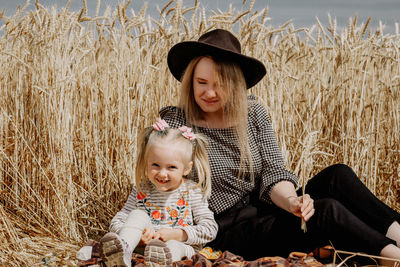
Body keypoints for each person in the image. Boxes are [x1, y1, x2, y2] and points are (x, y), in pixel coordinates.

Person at [159, 28, 400, 262]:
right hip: (222, 230)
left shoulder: (252, 113)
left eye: (220, 84)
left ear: (234, 84)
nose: (210, 92)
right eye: (202, 82)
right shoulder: (176, 122)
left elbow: (273, 172)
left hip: (266, 208)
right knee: (325, 210)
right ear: (190, 81)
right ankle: (393, 257)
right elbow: (157, 178)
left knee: (338, 175)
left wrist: (293, 202)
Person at [98, 118, 218, 267]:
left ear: (186, 168)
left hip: (182, 248)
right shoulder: (142, 190)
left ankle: (161, 263)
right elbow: (117, 221)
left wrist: (179, 234)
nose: (162, 174)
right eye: (155, 165)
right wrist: (136, 235)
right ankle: (122, 252)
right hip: (143, 249)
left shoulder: (192, 192)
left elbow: (210, 228)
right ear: (146, 162)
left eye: (171, 167)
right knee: (137, 214)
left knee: (173, 246)